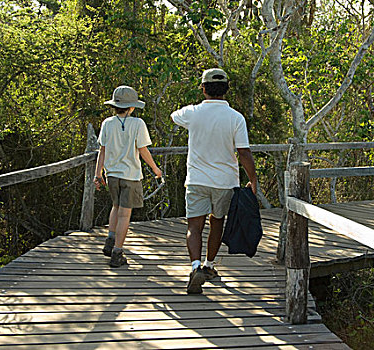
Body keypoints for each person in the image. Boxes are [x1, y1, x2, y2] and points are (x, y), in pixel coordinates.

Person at [171, 68, 258, 294]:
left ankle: (194, 267)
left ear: (203, 88)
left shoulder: (193, 113)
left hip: (196, 179)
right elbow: (244, 153)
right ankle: (209, 265)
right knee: (216, 222)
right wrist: (253, 181)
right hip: (225, 182)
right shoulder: (236, 118)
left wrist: (197, 110)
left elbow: (174, 115)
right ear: (227, 89)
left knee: (194, 226)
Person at [94, 85, 162, 268]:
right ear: (132, 106)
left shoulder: (107, 123)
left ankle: (110, 241)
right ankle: (117, 253)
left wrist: (97, 173)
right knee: (125, 214)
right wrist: (156, 169)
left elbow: (102, 150)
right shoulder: (137, 124)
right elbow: (143, 150)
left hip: (112, 175)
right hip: (130, 175)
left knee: (115, 207)